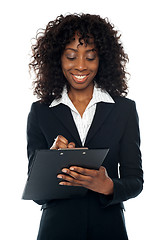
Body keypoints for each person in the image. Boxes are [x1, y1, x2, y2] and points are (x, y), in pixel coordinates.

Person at [27, 13, 143, 240]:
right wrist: (51, 161)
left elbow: (135, 181)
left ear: (102, 60)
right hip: (56, 231)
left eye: (90, 57)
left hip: (108, 230)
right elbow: (37, 194)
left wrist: (109, 186)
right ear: (57, 58)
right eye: (71, 56)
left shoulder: (124, 109)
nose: (80, 66)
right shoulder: (40, 111)